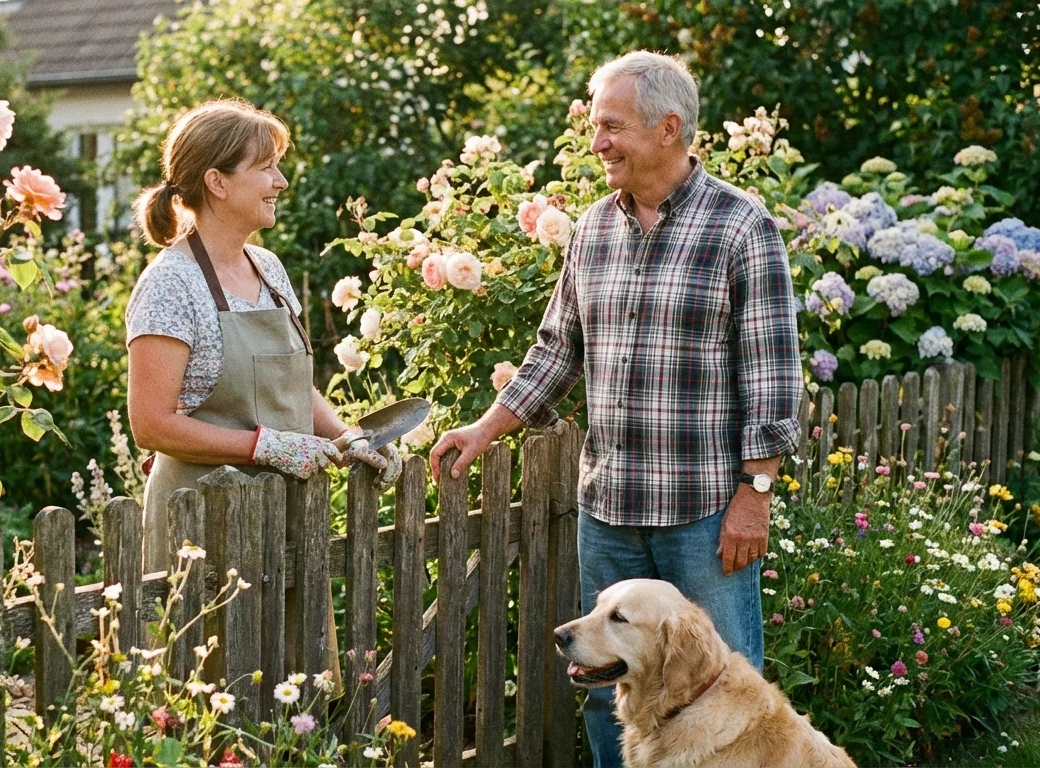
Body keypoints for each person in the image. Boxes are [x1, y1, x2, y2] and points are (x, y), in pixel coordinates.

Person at [429, 52, 802, 767]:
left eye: (610, 126)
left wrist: (754, 495)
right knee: (610, 696)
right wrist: (483, 428)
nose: (595, 142)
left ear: (668, 129)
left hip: (704, 517)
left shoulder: (740, 229)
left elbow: (773, 376)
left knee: (721, 697)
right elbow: (553, 355)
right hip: (609, 513)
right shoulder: (593, 229)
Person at [125, 99, 402, 575]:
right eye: (267, 168)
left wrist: (348, 436)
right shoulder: (170, 283)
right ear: (217, 181)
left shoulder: (268, 268)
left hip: (286, 516)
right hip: (202, 525)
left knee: (291, 648)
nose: (281, 182)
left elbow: (290, 386)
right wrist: (264, 446)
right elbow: (150, 424)